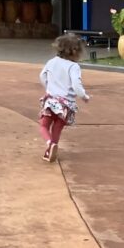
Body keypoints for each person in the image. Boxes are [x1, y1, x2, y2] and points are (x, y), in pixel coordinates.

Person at [38, 33, 90, 162]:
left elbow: (42, 76)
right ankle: (53, 146)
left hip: (51, 101)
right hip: (66, 104)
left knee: (44, 126)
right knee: (57, 128)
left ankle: (49, 144)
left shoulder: (52, 62)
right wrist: (83, 95)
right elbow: (76, 85)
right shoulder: (74, 67)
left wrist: (49, 88)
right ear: (75, 51)